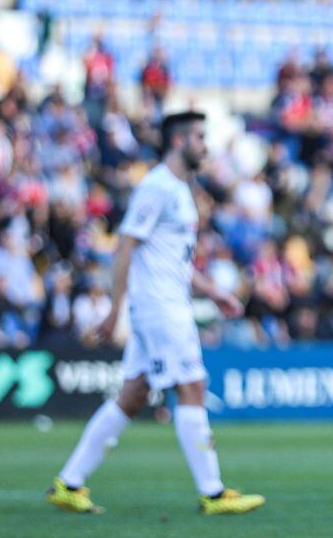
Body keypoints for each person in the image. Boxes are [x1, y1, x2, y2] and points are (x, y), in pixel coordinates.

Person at [47, 112, 265, 515]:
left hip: (166, 301)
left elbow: (174, 260)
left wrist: (213, 291)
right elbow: (125, 246)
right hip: (159, 307)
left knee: (132, 395)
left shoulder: (180, 190)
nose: (206, 145)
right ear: (180, 140)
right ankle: (213, 493)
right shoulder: (157, 187)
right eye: (200, 137)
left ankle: (68, 483)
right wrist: (114, 309)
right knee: (192, 387)